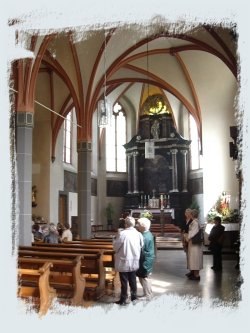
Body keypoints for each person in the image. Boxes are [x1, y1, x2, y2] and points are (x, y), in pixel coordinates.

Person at [113, 216, 143, 305]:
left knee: (124, 280)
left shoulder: (122, 234)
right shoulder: (138, 234)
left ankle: (123, 299)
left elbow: (115, 247)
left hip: (124, 260)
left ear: (125, 224)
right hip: (134, 259)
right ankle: (134, 297)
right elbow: (141, 245)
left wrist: (114, 240)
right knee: (133, 279)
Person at [136, 217, 155, 301]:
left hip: (145, 260)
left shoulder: (145, 237)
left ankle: (148, 295)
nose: (137, 226)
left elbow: (141, 249)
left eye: (138, 224)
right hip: (145, 259)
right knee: (143, 277)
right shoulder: (146, 234)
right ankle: (147, 293)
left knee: (145, 277)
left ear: (143, 226)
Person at [184, 209, 203, 280]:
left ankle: (196, 275)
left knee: (195, 259)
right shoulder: (195, 222)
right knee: (193, 259)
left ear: (192, 215)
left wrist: (186, 236)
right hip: (193, 244)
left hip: (195, 245)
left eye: (190, 214)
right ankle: (194, 273)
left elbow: (192, 233)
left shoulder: (195, 223)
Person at [181, 208, 193, 277]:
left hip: (189, 239)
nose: (186, 214)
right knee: (187, 256)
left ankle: (192, 270)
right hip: (185, 239)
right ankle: (190, 270)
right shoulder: (184, 221)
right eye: (185, 212)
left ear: (190, 214)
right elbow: (182, 230)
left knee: (191, 256)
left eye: (187, 213)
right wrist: (182, 239)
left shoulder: (192, 221)